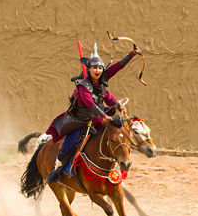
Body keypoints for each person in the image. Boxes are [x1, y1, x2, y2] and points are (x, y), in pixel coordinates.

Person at [45, 44, 139, 183]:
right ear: (89, 69)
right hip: (79, 122)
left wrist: (131, 55)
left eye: (100, 67)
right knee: (69, 144)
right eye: (94, 67)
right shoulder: (83, 86)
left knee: (114, 138)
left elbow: (116, 72)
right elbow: (91, 105)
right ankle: (57, 169)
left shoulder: (101, 84)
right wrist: (104, 116)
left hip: (96, 120)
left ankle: (115, 168)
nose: (98, 70)